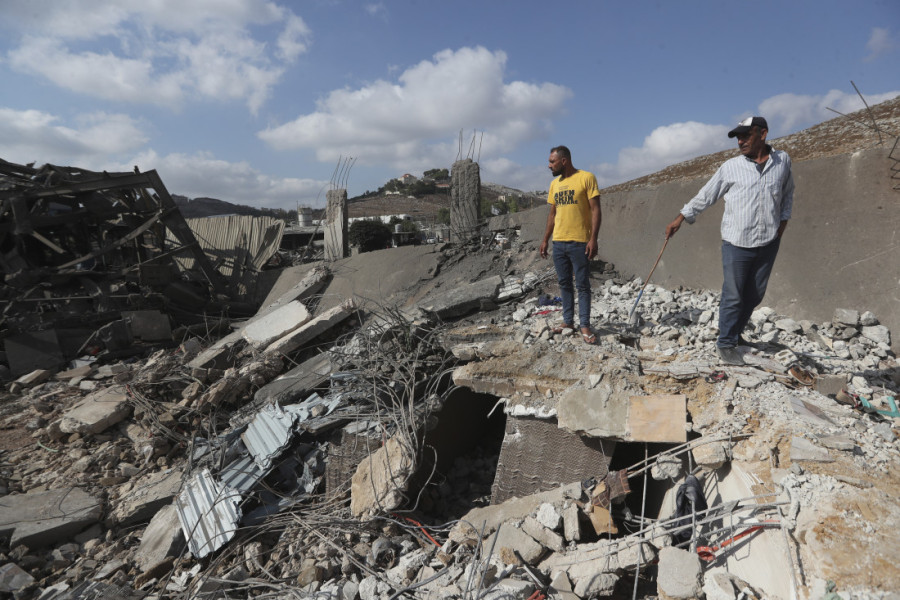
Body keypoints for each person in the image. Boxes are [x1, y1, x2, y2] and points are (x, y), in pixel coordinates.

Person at [664, 116, 794, 365]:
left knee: (754, 294)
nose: (741, 141)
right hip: (736, 242)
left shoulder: (782, 161)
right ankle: (725, 343)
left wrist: (784, 222)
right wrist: (680, 218)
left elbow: (788, 193)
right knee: (733, 294)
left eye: (746, 136)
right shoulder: (730, 167)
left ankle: (736, 334)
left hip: (768, 240)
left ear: (763, 134)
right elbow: (706, 195)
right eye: (738, 137)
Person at [539, 146, 602, 344]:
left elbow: (596, 210)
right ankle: (568, 321)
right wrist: (545, 239)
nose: (549, 165)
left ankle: (584, 325)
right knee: (564, 284)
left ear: (564, 161)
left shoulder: (586, 177)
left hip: (579, 242)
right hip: (558, 242)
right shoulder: (554, 184)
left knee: (582, 285)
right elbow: (552, 215)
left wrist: (593, 238)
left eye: (552, 162)